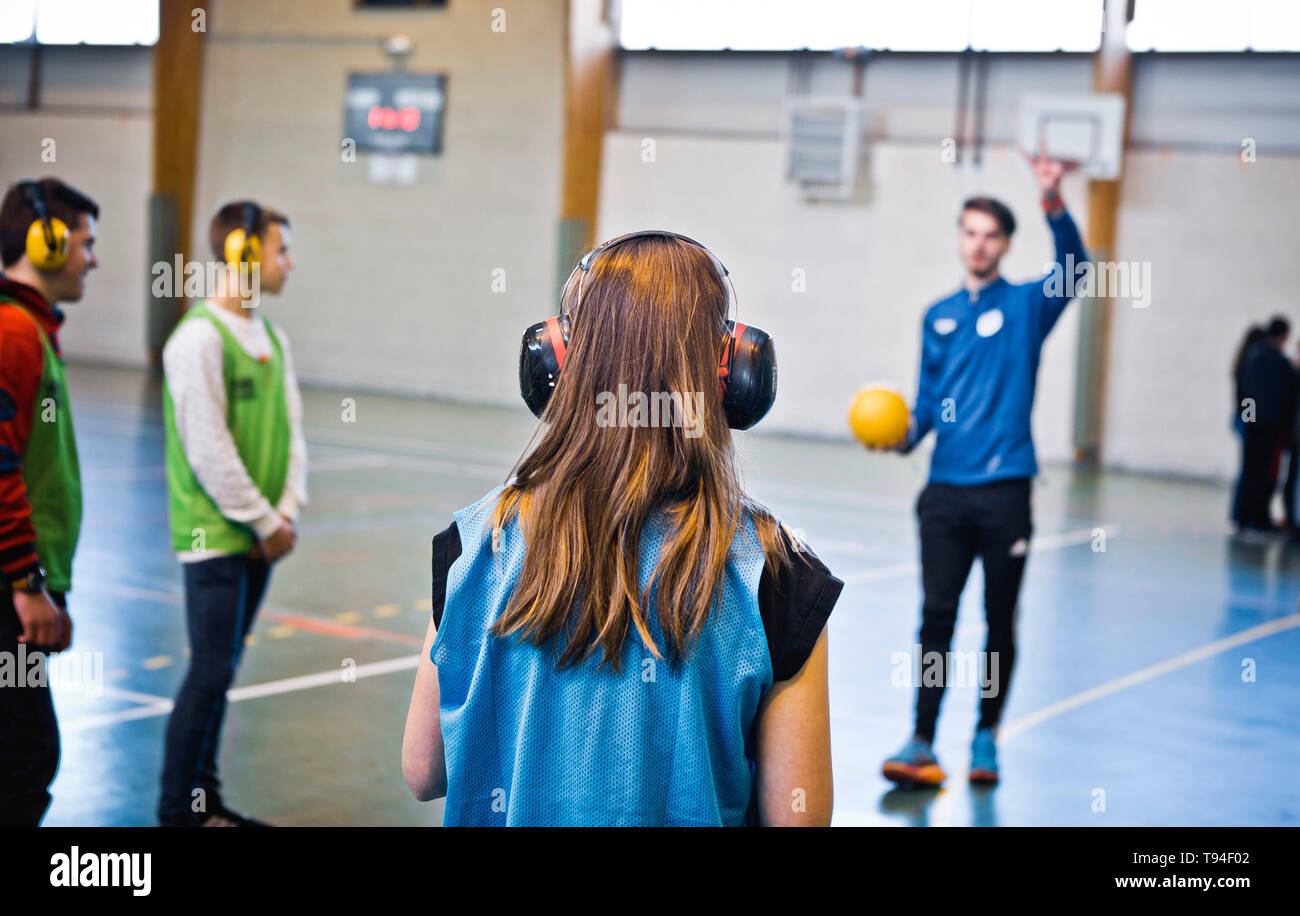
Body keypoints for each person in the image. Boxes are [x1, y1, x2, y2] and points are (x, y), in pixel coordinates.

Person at [402, 231, 842, 826]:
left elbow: (423, 769)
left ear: (559, 363)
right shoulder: (779, 574)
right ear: (731, 375)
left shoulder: (475, 544)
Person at [873, 149, 1087, 787]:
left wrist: (1052, 197)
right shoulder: (936, 316)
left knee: (999, 622)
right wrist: (900, 434)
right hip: (944, 494)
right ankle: (921, 739)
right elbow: (925, 406)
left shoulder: (1026, 307)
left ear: (1006, 244)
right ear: (960, 238)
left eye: (991, 235)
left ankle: (987, 738)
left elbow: (1074, 269)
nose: (979, 244)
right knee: (936, 617)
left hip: (1005, 494)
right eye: (970, 232)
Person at [157, 201, 307, 827]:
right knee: (209, 671)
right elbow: (208, 446)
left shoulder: (274, 338)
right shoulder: (197, 338)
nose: (289, 263)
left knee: (223, 672)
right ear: (245, 252)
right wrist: (263, 522)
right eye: (281, 249)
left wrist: (288, 509)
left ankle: (206, 803)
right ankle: (176, 813)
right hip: (217, 537)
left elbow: (294, 433)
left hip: (260, 541)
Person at [0, 178, 99, 825]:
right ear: (47, 241)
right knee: (26, 757)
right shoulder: (14, 332)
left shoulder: (33, 328)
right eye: (86, 243)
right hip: (11, 587)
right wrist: (26, 583)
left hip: (26, 583)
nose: (92, 258)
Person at [1234, 315, 1295, 534]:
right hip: (1268, 428)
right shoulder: (1277, 361)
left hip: (1257, 426)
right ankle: (1255, 518)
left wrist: (1250, 421)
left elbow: (1248, 393)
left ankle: (1246, 517)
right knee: (1262, 475)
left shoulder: (1254, 356)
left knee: (1252, 473)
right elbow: (1284, 397)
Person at [1231, 324, 1267, 525]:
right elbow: (1248, 397)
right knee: (1247, 468)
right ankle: (1240, 515)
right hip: (1245, 419)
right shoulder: (1250, 362)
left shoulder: (1244, 359)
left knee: (1246, 467)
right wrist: (1251, 420)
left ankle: (1240, 514)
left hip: (1242, 418)